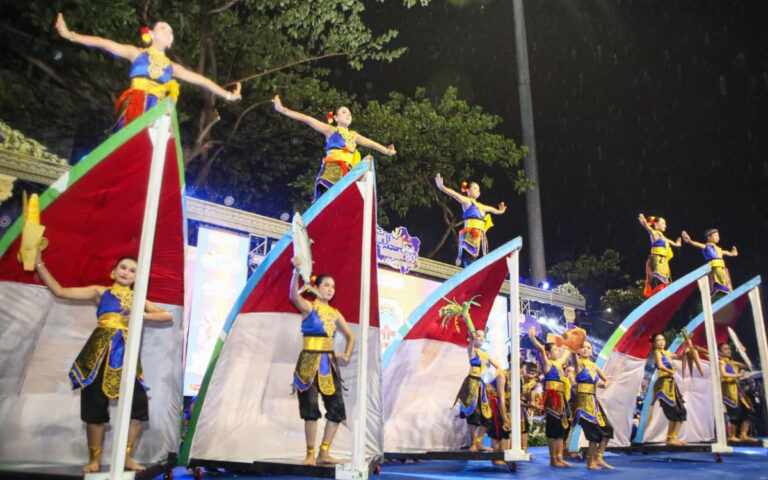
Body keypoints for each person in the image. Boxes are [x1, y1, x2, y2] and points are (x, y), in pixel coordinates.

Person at [34, 253, 172, 473]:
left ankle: (125, 458)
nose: (126, 272)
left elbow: (167, 315)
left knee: (138, 408)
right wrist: (39, 264)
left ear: (137, 277)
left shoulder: (138, 300)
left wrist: (140, 314)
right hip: (99, 354)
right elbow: (60, 291)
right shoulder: (100, 292)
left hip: (126, 357)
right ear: (114, 271)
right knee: (94, 407)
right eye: (123, 267)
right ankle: (94, 459)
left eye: (132, 270)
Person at [54, 13, 241, 130]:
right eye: (163, 28)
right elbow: (104, 43)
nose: (168, 32)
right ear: (150, 34)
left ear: (171, 42)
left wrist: (228, 95)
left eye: (170, 31)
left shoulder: (173, 67)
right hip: (136, 104)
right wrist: (71, 35)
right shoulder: (136, 53)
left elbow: (203, 81)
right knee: (128, 145)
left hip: (159, 111)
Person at [290, 257, 355, 465]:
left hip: (328, 364)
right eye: (326, 285)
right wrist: (296, 271)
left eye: (333, 287)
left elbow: (350, 336)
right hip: (308, 363)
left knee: (336, 410)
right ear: (316, 287)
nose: (330, 289)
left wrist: (345, 354)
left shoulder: (334, 313)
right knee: (310, 409)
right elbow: (293, 296)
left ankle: (323, 452)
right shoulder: (309, 307)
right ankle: (310, 454)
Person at [272, 95, 396, 199]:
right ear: (335, 118)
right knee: (328, 197)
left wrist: (387, 151)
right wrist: (283, 110)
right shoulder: (330, 130)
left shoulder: (354, 135)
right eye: (344, 112)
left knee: (352, 200)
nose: (348, 115)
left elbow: (372, 144)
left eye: (350, 114)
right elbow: (307, 119)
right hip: (333, 169)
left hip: (348, 174)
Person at [435, 173, 507, 267]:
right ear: (468, 190)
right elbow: (454, 194)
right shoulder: (467, 201)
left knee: (481, 262)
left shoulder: (481, 206)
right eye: (475, 188)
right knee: (470, 261)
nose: (477, 191)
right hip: (470, 236)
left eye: (478, 189)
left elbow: (493, 210)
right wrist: (442, 187)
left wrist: (500, 211)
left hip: (480, 237)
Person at [528, 327, 572, 467]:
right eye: (556, 350)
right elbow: (541, 349)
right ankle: (553, 459)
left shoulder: (558, 364)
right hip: (553, 400)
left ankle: (559, 458)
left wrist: (570, 338)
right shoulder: (548, 364)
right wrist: (533, 338)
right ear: (548, 353)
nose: (558, 352)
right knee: (553, 430)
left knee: (560, 430)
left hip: (561, 399)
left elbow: (568, 350)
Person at [454, 329, 504, 452]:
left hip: (483, 387)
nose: (481, 338)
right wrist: (468, 325)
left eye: (483, 336)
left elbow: (498, 367)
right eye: (478, 336)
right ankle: (473, 444)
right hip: (472, 386)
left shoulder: (485, 354)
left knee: (488, 417)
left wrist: (492, 377)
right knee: (474, 415)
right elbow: (471, 341)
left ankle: (478, 443)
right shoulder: (472, 351)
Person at [571, 341, 614, 469]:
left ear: (591, 351)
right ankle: (590, 463)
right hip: (583, 403)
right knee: (593, 434)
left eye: (588, 348)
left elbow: (606, 380)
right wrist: (573, 351)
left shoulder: (594, 366)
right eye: (583, 347)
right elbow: (574, 359)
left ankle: (599, 458)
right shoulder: (579, 363)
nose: (585, 349)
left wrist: (604, 384)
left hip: (594, 402)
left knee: (608, 429)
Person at [649, 333, 689, 445]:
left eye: (663, 339)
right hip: (664, 385)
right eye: (658, 340)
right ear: (654, 343)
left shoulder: (666, 353)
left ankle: (672, 437)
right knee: (673, 411)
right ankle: (670, 439)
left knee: (681, 411)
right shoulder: (657, 353)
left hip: (671, 384)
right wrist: (671, 371)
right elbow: (660, 366)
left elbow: (680, 358)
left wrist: (685, 351)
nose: (661, 342)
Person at [717, 343, 757, 442]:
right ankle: (732, 435)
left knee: (748, 410)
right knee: (735, 413)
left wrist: (743, 353)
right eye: (725, 349)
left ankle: (743, 434)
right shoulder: (721, 362)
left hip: (737, 390)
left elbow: (747, 365)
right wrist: (738, 375)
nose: (729, 350)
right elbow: (723, 374)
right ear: (720, 352)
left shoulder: (731, 362)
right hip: (728, 391)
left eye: (729, 349)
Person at [682, 229, 737, 297]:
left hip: (722, 269)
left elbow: (725, 252)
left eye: (718, 235)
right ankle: (716, 290)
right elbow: (698, 245)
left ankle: (725, 290)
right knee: (715, 281)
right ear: (709, 237)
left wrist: (732, 254)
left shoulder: (718, 249)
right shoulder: (707, 247)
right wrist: (690, 241)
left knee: (725, 282)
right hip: (714, 268)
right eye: (715, 235)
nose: (718, 237)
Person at [638, 214, 681, 297]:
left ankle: (664, 295)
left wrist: (676, 244)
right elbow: (650, 230)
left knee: (665, 281)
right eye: (663, 223)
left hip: (663, 262)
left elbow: (670, 242)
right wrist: (645, 224)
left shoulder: (662, 237)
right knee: (658, 280)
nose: (665, 225)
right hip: (657, 260)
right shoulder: (655, 234)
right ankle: (657, 295)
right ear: (656, 225)